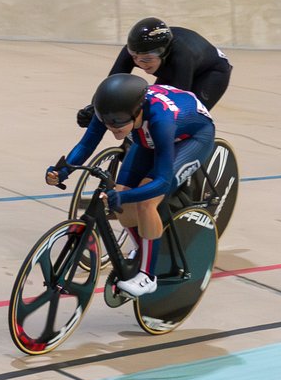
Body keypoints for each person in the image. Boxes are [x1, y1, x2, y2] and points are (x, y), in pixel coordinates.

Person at [49, 74, 215, 298]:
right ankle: (146, 248)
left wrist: (127, 198)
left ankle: (148, 277)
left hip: (191, 139)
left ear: (137, 111)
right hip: (147, 137)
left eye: (118, 122)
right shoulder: (110, 110)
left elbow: (161, 182)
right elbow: (86, 144)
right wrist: (63, 171)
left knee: (145, 202)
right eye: (108, 123)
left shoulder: (160, 120)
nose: (112, 127)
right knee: (121, 198)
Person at [75, 17, 232, 127]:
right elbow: (111, 86)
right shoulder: (135, 51)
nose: (141, 64)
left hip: (211, 73)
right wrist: (93, 108)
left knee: (180, 119)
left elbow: (177, 100)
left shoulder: (182, 55)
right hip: (172, 71)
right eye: (135, 58)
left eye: (147, 59)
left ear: (164, 53)